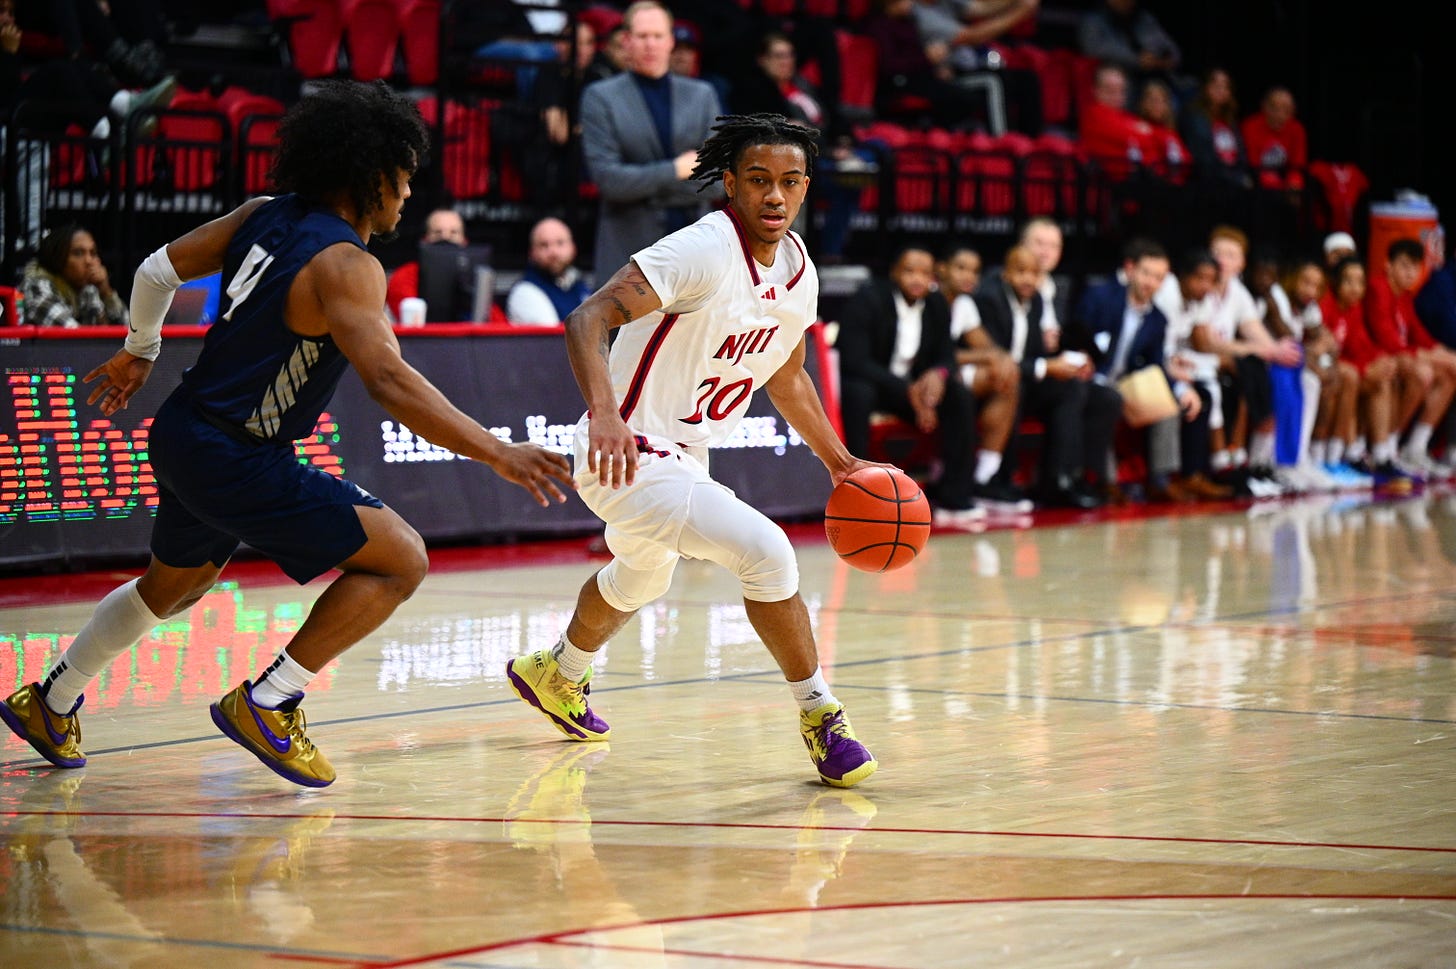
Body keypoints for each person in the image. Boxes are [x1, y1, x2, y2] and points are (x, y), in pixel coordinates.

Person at [1, 80, 576, 787]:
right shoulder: (348, 265)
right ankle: (270, 701)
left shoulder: (262, 214)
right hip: (239, 452)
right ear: (370, 176)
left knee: (174, 585)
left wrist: (141, 346)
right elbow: (389, 382)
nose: (406, 195)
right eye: (402, 178)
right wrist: (498, 451)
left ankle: (49, 699)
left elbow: (155, 269)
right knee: (402, 559)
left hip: (182, 431)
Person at [503, 114, 879, 789]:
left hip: (682, 453)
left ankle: (556, 671)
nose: (773, 195)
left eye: (789, 182)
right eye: (758, 180)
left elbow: (787, 374)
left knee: (644, 575)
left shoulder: (798, 269)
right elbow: (587, 318)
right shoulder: (699, 250)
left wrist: (841, 462)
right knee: (767, 552)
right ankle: (821, 715)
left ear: (805, 187)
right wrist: (606, 412)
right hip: (622, 449)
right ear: (730, 182)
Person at [837, 244, 984, 527]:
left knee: (959, 396)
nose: (917, 279)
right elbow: (854, 361)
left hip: (912, 389)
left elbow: (946, 356)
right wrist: (909, 391)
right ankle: (863, 493)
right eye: (909, 271)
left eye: (925, 273)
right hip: (876, 383)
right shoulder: (868, 299)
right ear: (894, 272)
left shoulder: (936, 303)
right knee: (858, 392)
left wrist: (938, 376)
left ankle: (955, 494)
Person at [580, 1, 723, 279]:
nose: (650, 44)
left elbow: (717, 183)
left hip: (697, 255)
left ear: (670, 41)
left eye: (657, 36)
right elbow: (610, 182)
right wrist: (677, 170)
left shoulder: (702, 95)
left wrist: (644, 185)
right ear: (626, 41)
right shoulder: (600, 97)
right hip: (628, 257)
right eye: (642, 36)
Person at [974, 244, 1118, 508]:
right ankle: (1000, 479)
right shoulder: (989, 299)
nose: (1028, 279)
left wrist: (1067, 362)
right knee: (1011, 385)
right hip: (993, 380)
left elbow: (1035, 352)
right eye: (1020, 272)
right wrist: (1046, 367)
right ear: (1005, 273)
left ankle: (1061, 479)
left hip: (1026, 377)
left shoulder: (1037, 300)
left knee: (1073, 388)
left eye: (1034, 273)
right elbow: (996, 358)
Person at [1068, 237, 1204, 503]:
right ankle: (1105, 481)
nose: (1150, 282)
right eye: (1146, 273)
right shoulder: (1101, 296)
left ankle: (1161, 480)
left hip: (1125, 382)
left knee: (1168, 403)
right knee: (1108, 400)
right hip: (1090, 377)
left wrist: (1180, 388)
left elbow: (1155, 364)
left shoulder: (1157, 318)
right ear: (1130, 270)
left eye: (1158, 277)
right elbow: (1075, 337)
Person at [1190, 225, 1301, 497]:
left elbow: (1254, 328)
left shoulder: (1238, 292)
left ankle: (1255, 460)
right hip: (1198, 357)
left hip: (1224, 359)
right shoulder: (1202, 286)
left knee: (1267, 368)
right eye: (1217, 253)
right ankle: (1228, 461)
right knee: (1247, 368)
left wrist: (1275, 348)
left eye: (1230, 254)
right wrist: (1255, 349)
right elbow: (1205, 341)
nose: (1222, 260)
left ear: (1241, 263)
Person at [937, 242, 1029, 511]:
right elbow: (936, 354)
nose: (968, 276)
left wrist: (1000, 359)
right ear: (942, 269)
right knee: (985, 377)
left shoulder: (965, 303)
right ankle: (969, 477)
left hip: (949, 374)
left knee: (1007, 376)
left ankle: (985, 475)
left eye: (974, 271)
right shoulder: (931, 298)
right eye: (961, 268)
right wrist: (987, 358)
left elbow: (986, 347)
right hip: (925, 375)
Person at [1364, 237, 1456, 475]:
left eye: (1416, 267)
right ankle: (1388, 445)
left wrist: (1444, 355)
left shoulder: (1404, 297)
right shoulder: (1378, 288)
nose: (1411, 272)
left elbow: (1422, 337)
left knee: (1448, 375)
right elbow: (1386, 339)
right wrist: (1437, 357)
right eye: (1405, 265)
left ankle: (1415, 447)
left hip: (1400, 356)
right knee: (1423, 373)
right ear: (1388, 265)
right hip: (1379, 356)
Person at [1318, 256, 1411, 488]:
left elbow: (1362, 345)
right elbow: (1327, 353)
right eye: (1348, 281)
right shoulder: (1325, 305)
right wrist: (1365, 368)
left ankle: (1381, 455)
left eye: (1360, 282)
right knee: (1351, 376)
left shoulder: (1353, 308)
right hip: (1322, 370)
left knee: (1382, 378)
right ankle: (1341, 455)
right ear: (1335, 281)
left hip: (1346, 369)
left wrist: (1380, 361)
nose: (1355, 288)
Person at [1152, 248, 1235, 499]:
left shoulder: (1199, 300)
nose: (1206, 286)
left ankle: (1194, 474)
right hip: (1152, 364)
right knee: (1184, 396)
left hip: (1169, 361)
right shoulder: (1167, 294)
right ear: (1183, 276)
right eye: (1200, 278)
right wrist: (1172, 367)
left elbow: (1198, 340)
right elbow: (1155, 344)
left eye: (1211, 280)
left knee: (1206, 392)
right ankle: (1162, 479)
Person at [910, 0, 1045, 135]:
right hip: (948, 73)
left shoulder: (942, 3)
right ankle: (1001, 141)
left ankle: (1031, 141)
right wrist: (1020, 12)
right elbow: (970, 36)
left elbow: (980, 8)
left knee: (1026, 79)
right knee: (993, 81)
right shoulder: (919, 13)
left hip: (972, 66)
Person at [19, 223, 130, 328]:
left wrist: (106, 292)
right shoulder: (38, 286)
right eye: (78, 253)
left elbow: (130, 332)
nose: (89, 261)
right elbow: (74, 339)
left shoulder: (88, 289)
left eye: (93, 253)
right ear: (57, 259)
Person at [1076, 0, 1182, 92]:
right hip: (1120, 82)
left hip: (1158, 80)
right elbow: (1093, 49)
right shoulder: (1093, 20)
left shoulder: (1143, 18)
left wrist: (1166, 58)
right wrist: (1137, 60)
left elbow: (1169, 46)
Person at [505, 216, 592, 324]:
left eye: (560, 243)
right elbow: (555, 338)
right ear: (532, 253)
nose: (553, 252)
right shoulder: (525, 291)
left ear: (573, 248)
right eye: (544, 245)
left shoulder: (579, 285)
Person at [1241, 85, 1306, 195]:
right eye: (1275, 109)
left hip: (1284, 185)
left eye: (1287, 110)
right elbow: (1252, 164)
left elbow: (1297, 165)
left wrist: (1294, 183)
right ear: (1264, 107)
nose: (1280, 115)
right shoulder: (1250, 126)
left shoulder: (1296, 129)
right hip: (1257, 182)